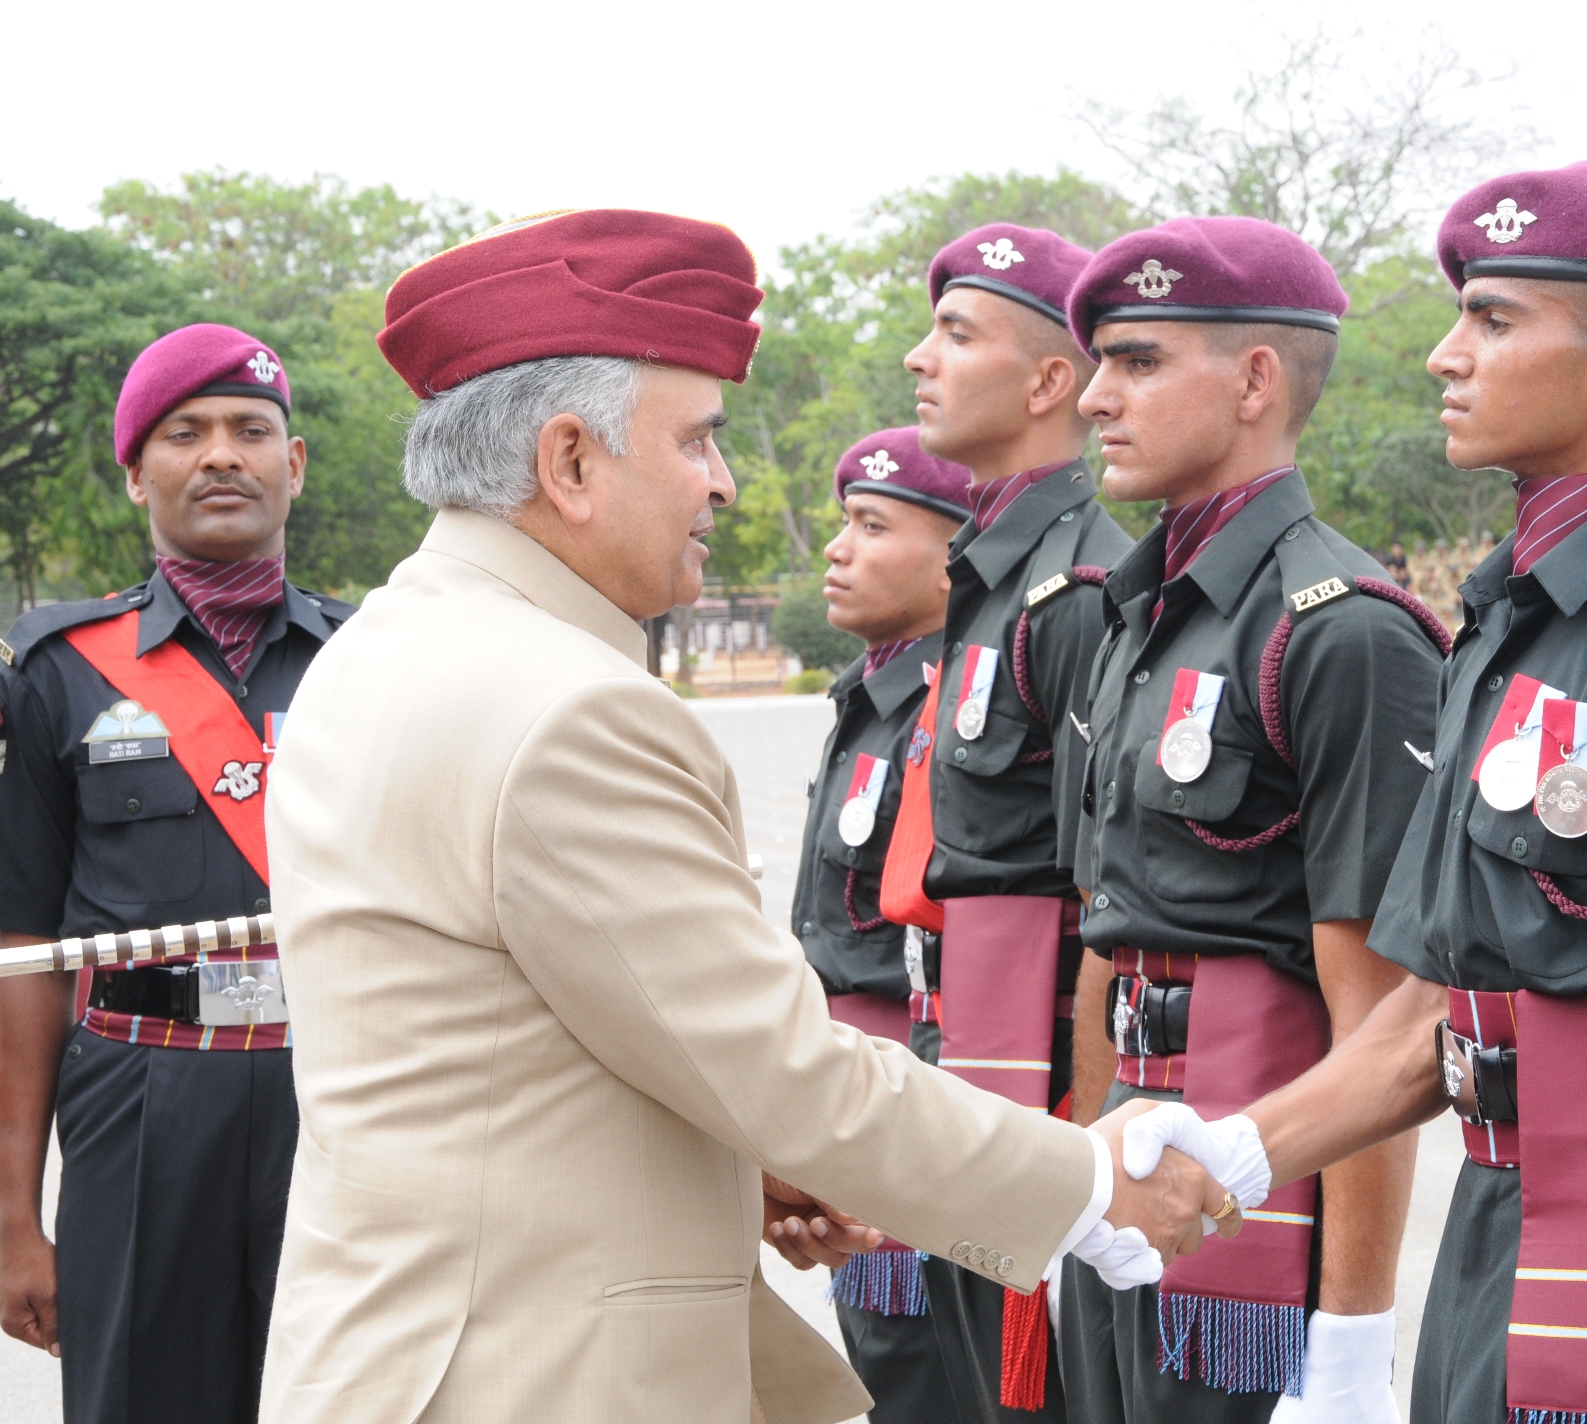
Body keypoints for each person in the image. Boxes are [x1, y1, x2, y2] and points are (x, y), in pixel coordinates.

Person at [257, 209, 1222, 1424]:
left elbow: (508, 1042)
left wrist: (733, 1170)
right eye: (697, 439)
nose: (721, 479)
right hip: (536, 1375)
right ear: (567, 461)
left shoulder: (381, 645)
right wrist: (1085, 1180)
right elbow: (776, 1065)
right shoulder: (568, 713)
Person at [1115, 161, 1587, 1424]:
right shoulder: (1515, 624)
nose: (1442, 355)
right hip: (1496, 1233)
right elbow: (1440, 1010)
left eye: (1494, 318)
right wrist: (1237, 1151)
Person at [1058, 216, 1449, 1423]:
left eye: (1134, 360)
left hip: (1256, 1210)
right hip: (1125, 1161)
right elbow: (1108, 943)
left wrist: (1349, 1342)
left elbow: (1378, 1022)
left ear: (1253, 380)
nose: (1090, 397)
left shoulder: (1340, 630)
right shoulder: (1136, 615)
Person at [0, 324, 348, 1424]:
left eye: (250, 430)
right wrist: (16, 1219)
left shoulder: (377, 659)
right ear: (135, 474)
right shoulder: (50, 668)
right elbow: (26, 962)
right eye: (185, 433)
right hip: (141, 1098)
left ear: (292, 463)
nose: (221, 454)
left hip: (345, 1091)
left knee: (354, 1394)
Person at [900, 221, 1137, 1421]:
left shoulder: (1082, 588)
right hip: (966, 1064)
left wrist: (1076, 1148)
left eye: (954, 333)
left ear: (1051, 381)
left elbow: (1105, 895)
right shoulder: (992, 574)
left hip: (1036, 1087)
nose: (915, 360)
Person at [794, 425, 972, 1421]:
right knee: (889, 1375)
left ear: (956, 559)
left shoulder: (957, 708)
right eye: (842, 522)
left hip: (916, 1096)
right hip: (850, 1102)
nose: (836, 547)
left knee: (930, 1381)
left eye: (869, 524)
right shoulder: (872, 694)